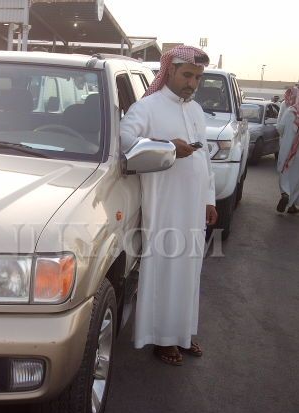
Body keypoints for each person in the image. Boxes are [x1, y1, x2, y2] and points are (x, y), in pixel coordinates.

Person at [120, 46, 217, 366]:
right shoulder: (147, 107)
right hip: (165, 207)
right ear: (170, 71)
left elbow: (205, 160)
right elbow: (124, 140)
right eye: (187, 75)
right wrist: (166, 147)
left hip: (193, 207)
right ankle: (162, 339)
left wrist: (209, 199)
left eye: (198, 78)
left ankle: (181, 334)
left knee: (189, 272)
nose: (192, 83)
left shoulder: (196, 110)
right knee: (166, 270)